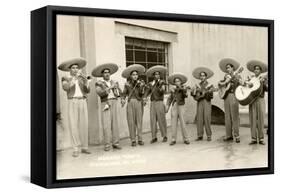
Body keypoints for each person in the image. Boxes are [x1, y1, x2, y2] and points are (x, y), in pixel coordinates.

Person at [58, 57, 91, 157]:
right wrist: (74, 79)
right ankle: (76, 148)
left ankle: (85, 147)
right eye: (73, 68)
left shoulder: (82, 78)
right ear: (70, 69)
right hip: (72, 101)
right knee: (73, 125)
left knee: (84, 124)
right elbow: (66, 88)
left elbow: (87, 91)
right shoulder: (65, 78)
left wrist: (87, 82)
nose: (76, 69)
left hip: (82, 100)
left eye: (77, 67)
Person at [92, 63, 122, 151]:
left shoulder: (113, 82)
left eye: (108, 72)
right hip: (105, 103)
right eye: (105, 72)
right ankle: (107, 144)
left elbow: (118, 94)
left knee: (115, 124)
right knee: (106, 124)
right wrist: (110, 88)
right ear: (102, 74)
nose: (107, 74)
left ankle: (116, 143)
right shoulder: (99, 83)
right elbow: (100, 93)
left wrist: (117, 89)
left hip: (114, 101)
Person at [218, 58, 243, 143]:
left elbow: (241, 85)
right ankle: (229, 135)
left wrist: (239, 79)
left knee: (234, 116)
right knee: (227, 117)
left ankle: (237, 135)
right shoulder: (226, 76)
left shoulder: (237, 75)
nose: (227, 69)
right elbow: (223, 84)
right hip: (226, 97)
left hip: (233, 96)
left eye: (229, 67)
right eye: (227, 68)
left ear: (233, 68)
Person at [121, 64, 146, 147]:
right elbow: (124, 93)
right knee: (131, 122)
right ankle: (133, 140)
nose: (135, 76)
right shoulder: (127, 84)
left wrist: (141, 87)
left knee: (139, 121)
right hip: (130, 102)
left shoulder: (141, 83)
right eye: (133, 75)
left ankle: (140, 139)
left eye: (136, 74)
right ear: (130, 76)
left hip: (139, 102)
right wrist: (123, 99)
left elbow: (142, 94)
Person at [144, 65, 168, 144]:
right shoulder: (150, 83)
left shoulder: (162, 82)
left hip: (159, 102)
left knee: (161, 119)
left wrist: (161, 86)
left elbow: (162, 91)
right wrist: (145, 97)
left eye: (158, 74)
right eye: (155, 74)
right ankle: (154, 137)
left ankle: (164, 136)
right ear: (153, 76)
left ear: (159, 75)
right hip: (153, 103)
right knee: (152, 120)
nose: (157, 76)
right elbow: (147, 92)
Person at [246, 60, 268, 145]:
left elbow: (267, 89)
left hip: (260, 99)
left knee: (261, 119)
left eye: (258, 69)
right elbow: (247, 89)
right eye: (255, 69)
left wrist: (264, 83)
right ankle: (254, 138)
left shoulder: (264, 79)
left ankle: (261, 138)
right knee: (253, 119)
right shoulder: (251, 78)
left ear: (260, 71)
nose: (256, 70)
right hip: (252, 100)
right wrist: (248, 83)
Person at [166, 73, 190, 146]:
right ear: (174, 83)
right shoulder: (173, 90)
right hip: (174, 105)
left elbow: (186, 95)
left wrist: (182, 88)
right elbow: (170, 98)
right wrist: (167, 106)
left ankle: (186, 139)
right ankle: (173, 139)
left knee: (183, 122)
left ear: (181, 82)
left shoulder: (183, 88)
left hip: (181, 106)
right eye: (176, 81)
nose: (177, 82)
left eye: (178, 81)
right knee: (173, 123)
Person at [191, 67, 215, 141]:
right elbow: (194, 95)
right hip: (199, 102)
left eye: (203, 76)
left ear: (206, 77)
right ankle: (200, 135)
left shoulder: (210, 85)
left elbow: (211, 95)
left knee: (207, 118)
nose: (202, 77)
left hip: (206, 102)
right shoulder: (197, 85)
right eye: (201, 76)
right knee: (199, 118)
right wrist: (193, 91)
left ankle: (209, 135)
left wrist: (208, 92)